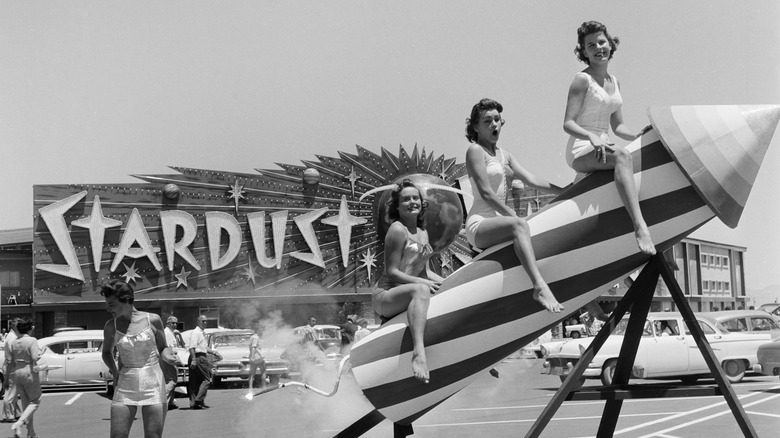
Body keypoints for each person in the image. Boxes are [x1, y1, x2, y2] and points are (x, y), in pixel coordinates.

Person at [563, 20, 655, 256]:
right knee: (623, 155)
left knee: (638, 161)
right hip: (582, 146)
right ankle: (640, 227)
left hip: (604, 144)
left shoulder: (615, 82)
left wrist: (638, 135)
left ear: (611, 44)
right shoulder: (582, 80)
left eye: (601, 42)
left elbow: (618, 126)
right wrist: (592, 137)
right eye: (590, 45)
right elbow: (568, 124)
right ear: (584, 52)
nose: (598, 48)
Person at [465, 98, 565, 313]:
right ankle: (539, 287)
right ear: (475, 127)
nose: (494, 125)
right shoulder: (475, 150)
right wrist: (516, 219)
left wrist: (566, 191)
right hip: (480, 223)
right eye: (487, 121)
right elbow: (486, 193)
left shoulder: (504, 155)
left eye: (497, 120)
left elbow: (532, 180)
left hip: (501, 222)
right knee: (520, 226)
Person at [372, 179, 444, 383]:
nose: (412, 202)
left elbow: (425, 272)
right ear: (397, 206)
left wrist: (451, 283)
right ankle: (418, 354)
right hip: (386, 295)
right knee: (421, 290)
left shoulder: (423, 232)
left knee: (446, 290)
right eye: (405, 199)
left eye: (415, 198)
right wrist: (422, 284)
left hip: (409, 292)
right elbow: (392, 272)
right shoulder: (397, 230)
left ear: (422, 203)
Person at [100, 280, 174, 438]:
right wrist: (114, 372)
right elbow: (106, 352)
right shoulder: (110, 326)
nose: (107, 309)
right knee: (118, 436)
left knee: (153, 436)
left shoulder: (152, 320)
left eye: (111, 304)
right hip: (126, 382)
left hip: (153, 382)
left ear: (126, 300)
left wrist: (168, 356)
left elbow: (163, 348)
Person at [4, 316, 41, 438]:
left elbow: (11, 360)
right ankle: (18, 423)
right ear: (29, 329)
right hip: (29, 371)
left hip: (17, 372)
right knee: (35, 401)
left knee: (26, 405)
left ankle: (31, 433)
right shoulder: (32, 340)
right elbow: (35, 358)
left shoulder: (14, 342)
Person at [187, 315, 220, 410]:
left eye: (206, 321)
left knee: (196, 381)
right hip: (198, 357)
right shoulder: (196, 333)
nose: (205, 323)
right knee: (206, 379)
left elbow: (204, 347)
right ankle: (198, 400)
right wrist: (193, 359)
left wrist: (214, 352)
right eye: (203, 321)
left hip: (200, 356)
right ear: (198, 322)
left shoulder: (202, 333)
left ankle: (195, 403)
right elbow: (192, 347)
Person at [2, 318, 21, 423]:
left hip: (12, 367)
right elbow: (11, 359)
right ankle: (8, 415)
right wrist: (7, 375)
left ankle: (15, 413)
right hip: (11, 368)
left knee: (13, 392)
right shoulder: (12, 338)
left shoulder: (13, 336)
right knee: (10, 393)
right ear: (14, 326)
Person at [162, 316, 182, 410]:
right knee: (171, 381)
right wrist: (175, 359)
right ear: (167, 323)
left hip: (168, 358)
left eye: (175, 323)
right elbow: (169, 348)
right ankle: (163, 401)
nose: (174, 325)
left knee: (169, 380)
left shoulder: (171, 333)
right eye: (172, 323)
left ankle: (170, 402)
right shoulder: (167, 333)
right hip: (169, 358)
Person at [247, 323, 266, 390]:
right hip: (257, 357)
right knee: (263, 371)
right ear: (258, 330)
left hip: (254, 357)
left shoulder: (252, 337)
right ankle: (264, 386)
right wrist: (252, 357)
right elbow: (253, 347)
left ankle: (250, 387)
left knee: (252, 373)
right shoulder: (256, 337)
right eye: (261, 330)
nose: (262, 331)